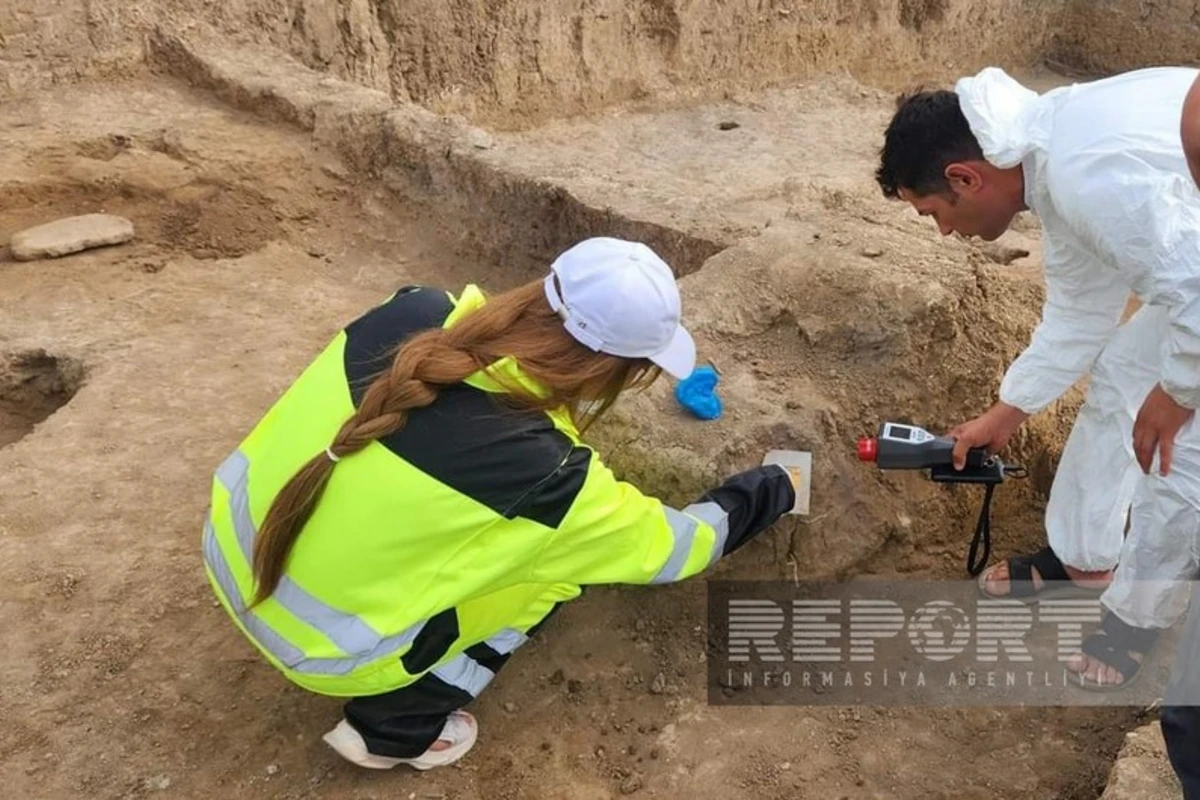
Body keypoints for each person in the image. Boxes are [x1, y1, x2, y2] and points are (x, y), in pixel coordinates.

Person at [200, 236, 797, 771]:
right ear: (613, 369)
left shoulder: (413, 309)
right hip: (317, 648)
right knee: (552, 577)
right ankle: (394, 731)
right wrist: (775, 486)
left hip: (233, 549)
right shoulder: (552, 479)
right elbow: (676, 550)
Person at [873, 67, 1200, 695]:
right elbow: (1080, 313)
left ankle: (1137, 618)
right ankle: (1085, 556)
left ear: (965, 178)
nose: (944, 232)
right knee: (1122, 374)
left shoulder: (1085, 178)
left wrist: (1178, 393)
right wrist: (1007, 413)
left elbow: (1194, 295)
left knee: (1179, 450)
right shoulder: (1049, 163)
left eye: (935, 212)